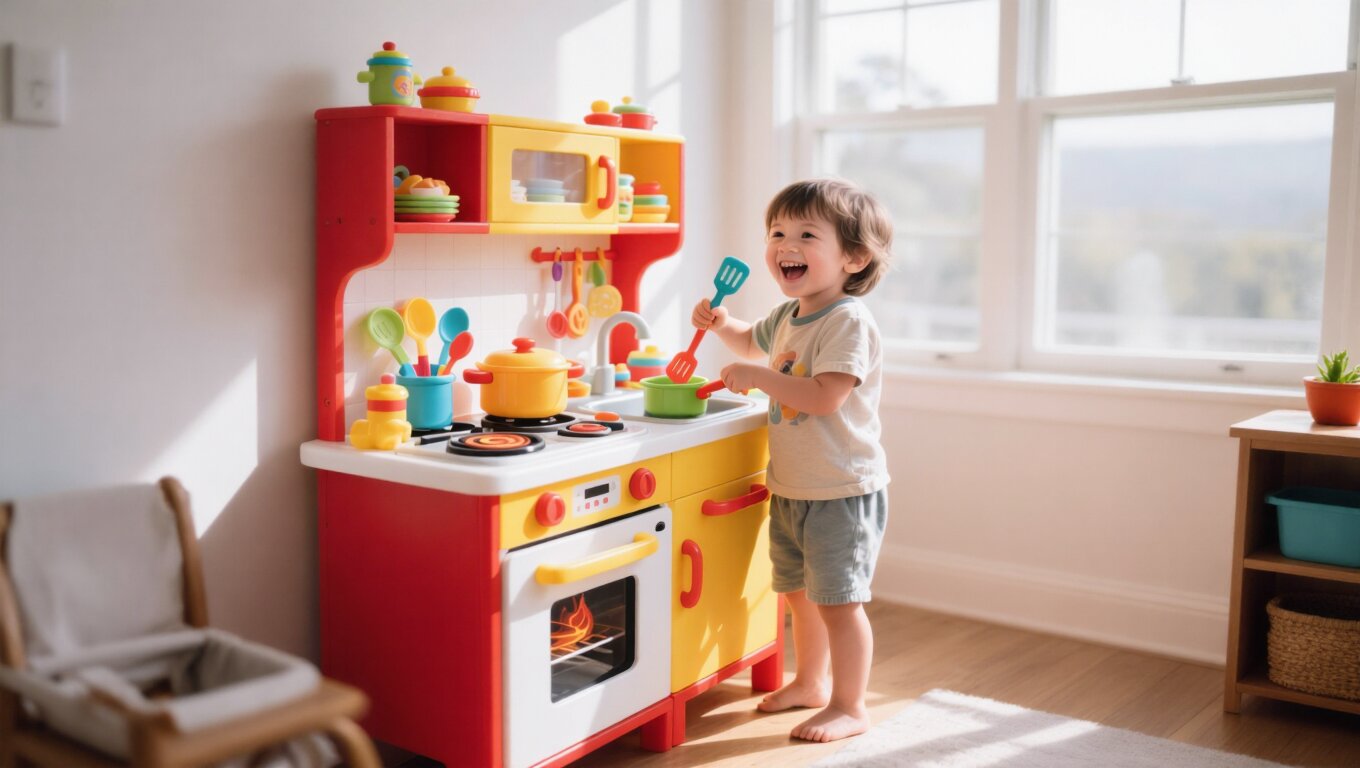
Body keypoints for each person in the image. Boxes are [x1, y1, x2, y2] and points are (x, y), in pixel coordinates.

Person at [691, 178, 892, 743]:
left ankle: (852, 705)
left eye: (806, 234)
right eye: (778, 232)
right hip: (795, 488)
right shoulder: (788, 315)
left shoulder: (847, 321)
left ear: (854, 257)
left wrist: (761, 380)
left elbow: (825, 395)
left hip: (842, 491)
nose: (786, 243)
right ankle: (811, 683)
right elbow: (751, 344)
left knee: (840, 604)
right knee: (800, 596)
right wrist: (720, 325)